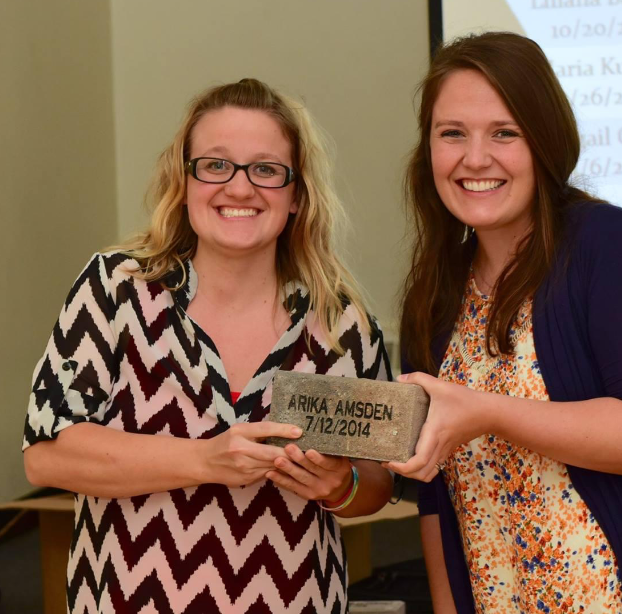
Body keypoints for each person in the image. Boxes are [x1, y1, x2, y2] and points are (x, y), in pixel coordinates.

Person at [23, 78, 393, 614]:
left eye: (266, 169)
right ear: (186, 180)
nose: (239, 189)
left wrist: (341, 486)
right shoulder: (116, 290)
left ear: (295, 196)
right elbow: (45, 457)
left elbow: (378, 486)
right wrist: (202, 459)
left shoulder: (341, 325)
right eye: (216, 165)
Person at [385, 32, 622, 614]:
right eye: (453, 134)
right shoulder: (435, 292)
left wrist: (487, 412)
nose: (476, 158)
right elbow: (433, 494)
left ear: (545, 140)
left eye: (505, 132)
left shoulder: (609, 244)